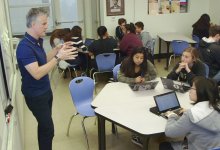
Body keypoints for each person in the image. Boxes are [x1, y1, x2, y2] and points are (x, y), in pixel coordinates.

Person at [16, 7, 77, 150]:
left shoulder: (36, 41)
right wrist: (58, 57)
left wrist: (57, 50)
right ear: (33, 25)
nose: (47, 26)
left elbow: (43, 60)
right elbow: (37, 73)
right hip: (35, 95)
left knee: (45, 128)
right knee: (48, 128)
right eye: (43, 23)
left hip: (45, 91)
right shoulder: (24, 47)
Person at [159, 76, 220, 150]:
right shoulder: (217, 107)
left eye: (192, 88)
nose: (189, 90)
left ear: (201, 92)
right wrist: (188, 112)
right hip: (213, 146)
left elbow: (169, 133)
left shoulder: (191, 115)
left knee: (164, 145)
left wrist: (172, 115)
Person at [118, 47, 157, 147]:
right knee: (132, 110)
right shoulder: (126, 62)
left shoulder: (147, 63)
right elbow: (119, 77)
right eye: (137, 57)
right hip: (126, 91)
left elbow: (154, 75)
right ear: (132, 56)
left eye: (141, 58)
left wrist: (145, 79)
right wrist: (133, 80)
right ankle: (135, 132)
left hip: (141, 91)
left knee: (145, 108)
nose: (139, 60)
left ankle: (145, 127)